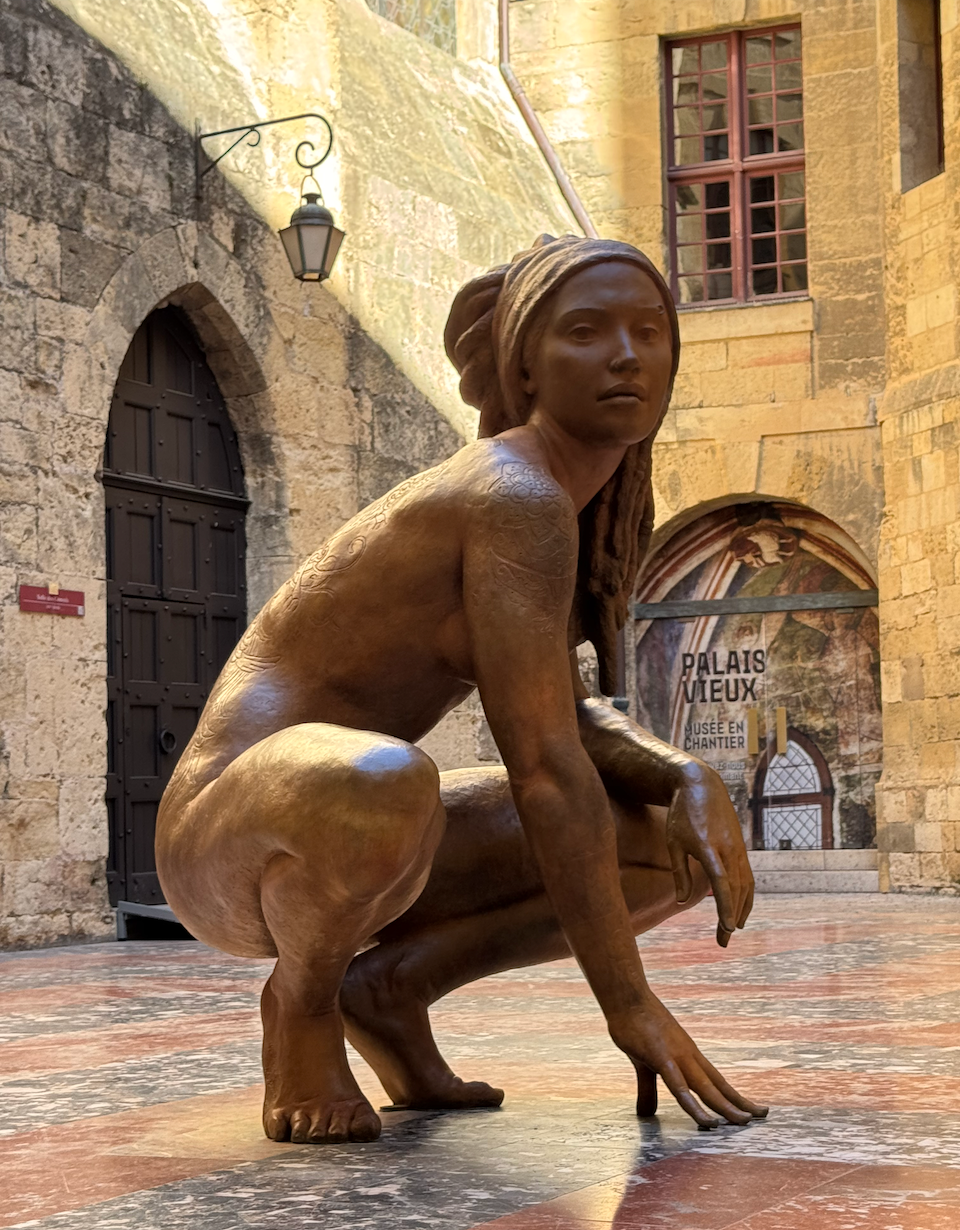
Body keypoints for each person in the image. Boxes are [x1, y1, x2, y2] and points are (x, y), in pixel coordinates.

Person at [156, 234, 766, 1144]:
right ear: (525, 364)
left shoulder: (554, 498)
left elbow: (556, 716)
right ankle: (303, 1009)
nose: (629, 355)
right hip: (230, 839)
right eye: (588, 332)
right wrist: (629, 1003)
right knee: (386, 778)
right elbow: (546, 771)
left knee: (663, 841)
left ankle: (391, 991)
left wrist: (686, 776)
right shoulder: (512, 495)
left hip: (361, 832)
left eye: (650, 330)